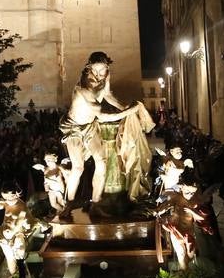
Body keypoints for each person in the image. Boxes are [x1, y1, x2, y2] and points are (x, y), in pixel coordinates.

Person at [59, 51, 155, 209]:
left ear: (107, 67)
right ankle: (68, 204)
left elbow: (108, 96)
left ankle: (96, 203)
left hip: (89, 127)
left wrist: (125, 108)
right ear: (88, 68)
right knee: (78, 167)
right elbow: (102, 116)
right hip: (74, 127)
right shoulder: (83, 89)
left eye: (102, 70)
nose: (98, 74)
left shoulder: (104, 78)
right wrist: (128, 111)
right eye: (94, 70)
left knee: (101, 162)